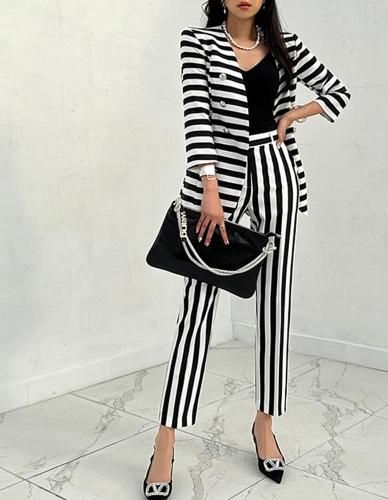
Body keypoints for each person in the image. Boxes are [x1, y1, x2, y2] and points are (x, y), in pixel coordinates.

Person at [143, 0, 351, 497]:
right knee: (196, 310)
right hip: (219, 185)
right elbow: (197, 118)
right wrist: (209, 189)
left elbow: (338, 92)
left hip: (278, 174)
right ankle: (165, 441)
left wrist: (295, 114)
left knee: (276, 306)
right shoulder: (198, 42)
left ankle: (264, 423)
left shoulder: (284, 44)